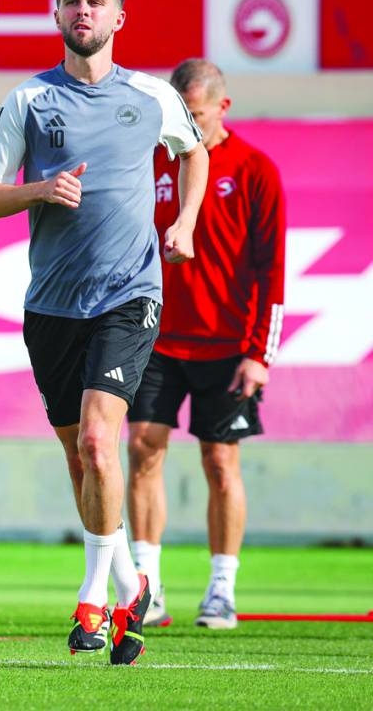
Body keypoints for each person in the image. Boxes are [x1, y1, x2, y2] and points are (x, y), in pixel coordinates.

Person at [0, 0, 208, 666]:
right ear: (56, 15)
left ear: (118, 18)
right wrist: (39, 189)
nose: (83, 10)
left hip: (129, 294)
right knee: (83, 460)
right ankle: (132, 586)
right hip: (51, 305)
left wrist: (185, 221)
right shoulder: (26, 101)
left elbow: (193, 154)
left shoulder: (153, 95)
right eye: (72, 0)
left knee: (103, 445)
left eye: (96, 1)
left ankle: (91, 598)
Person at [127, 59, 286, 631]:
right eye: (179, 114)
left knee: (220, 461)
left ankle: (221, 589)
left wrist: (259, 354)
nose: (186, 125)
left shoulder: (255, 170)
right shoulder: (152, 160)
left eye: (195, 114)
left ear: (223, 107)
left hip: (228, 345)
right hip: (154, 337)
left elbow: (272, 271)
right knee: (142, 449)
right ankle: (147, 589)